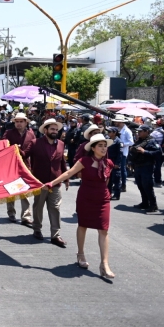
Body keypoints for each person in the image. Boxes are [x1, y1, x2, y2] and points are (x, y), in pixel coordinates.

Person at [46, 133, 116, 279]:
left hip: (103, 200)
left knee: (103, 229)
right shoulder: (84, 160)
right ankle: (81, 254)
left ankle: (105, 264)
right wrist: (52, 183)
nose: (103, 148)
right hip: (85, 197)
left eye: (105, 146)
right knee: (83, 225)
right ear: (93, 148)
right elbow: (69, 173)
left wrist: (104, 194)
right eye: (100, 146)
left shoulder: (108, 163)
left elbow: (106, 181)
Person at [27, 118, 68, 248]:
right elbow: (23, 155)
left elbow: (62, 162)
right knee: (38, 207)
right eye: (52, 129)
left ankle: (55, 235)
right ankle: (37, 229)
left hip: (55, 182)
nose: (55, 131)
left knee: (55, 208)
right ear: (45, 130)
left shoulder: (61, 144)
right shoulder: (35, 143)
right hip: (40, 183)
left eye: (56, 129)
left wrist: (66, 178)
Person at [2, 112, 35, 225]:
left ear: (26, 122)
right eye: (17, 121)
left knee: (25, 191)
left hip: (25, 165)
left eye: (21, 121)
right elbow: (4, 147)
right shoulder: (8, 133)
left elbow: (30, 152)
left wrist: (17, 149)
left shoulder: (31, 134)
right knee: (11, 190)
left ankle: (26, 216)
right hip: (11, 165)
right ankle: (11, 212)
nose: (19, 124)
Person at [128, 125, 162, 213]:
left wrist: (145, 152)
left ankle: (153, 205)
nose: (138, 133)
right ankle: (145, 202)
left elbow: (158, 152)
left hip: (147, 166)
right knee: (140, 185)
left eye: (140, 131)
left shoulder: (152, 141)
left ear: (147, 132)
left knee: (147, 185)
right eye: (138, 131)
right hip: (138, 166)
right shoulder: (139, 141)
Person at [112, 115, 133, 193]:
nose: (114, 122)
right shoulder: (117, 129)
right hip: (115, 152)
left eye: (116, 121)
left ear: (120, 122)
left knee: (122, 169)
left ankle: (123, 185)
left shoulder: (127, 131)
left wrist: (122, 144)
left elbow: (131, 142)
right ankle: (117, 184)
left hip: (123, 152)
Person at [106, 127, 123, 200]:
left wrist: (117, 163)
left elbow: (120, 153)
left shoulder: (118, 141)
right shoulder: (107, 140)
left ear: (114, 133)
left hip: (115, 161)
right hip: (108, 161)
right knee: (108, 178)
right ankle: (108, 193)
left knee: (116, 179)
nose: (108, 133)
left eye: (110, 132)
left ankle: (117, 194)